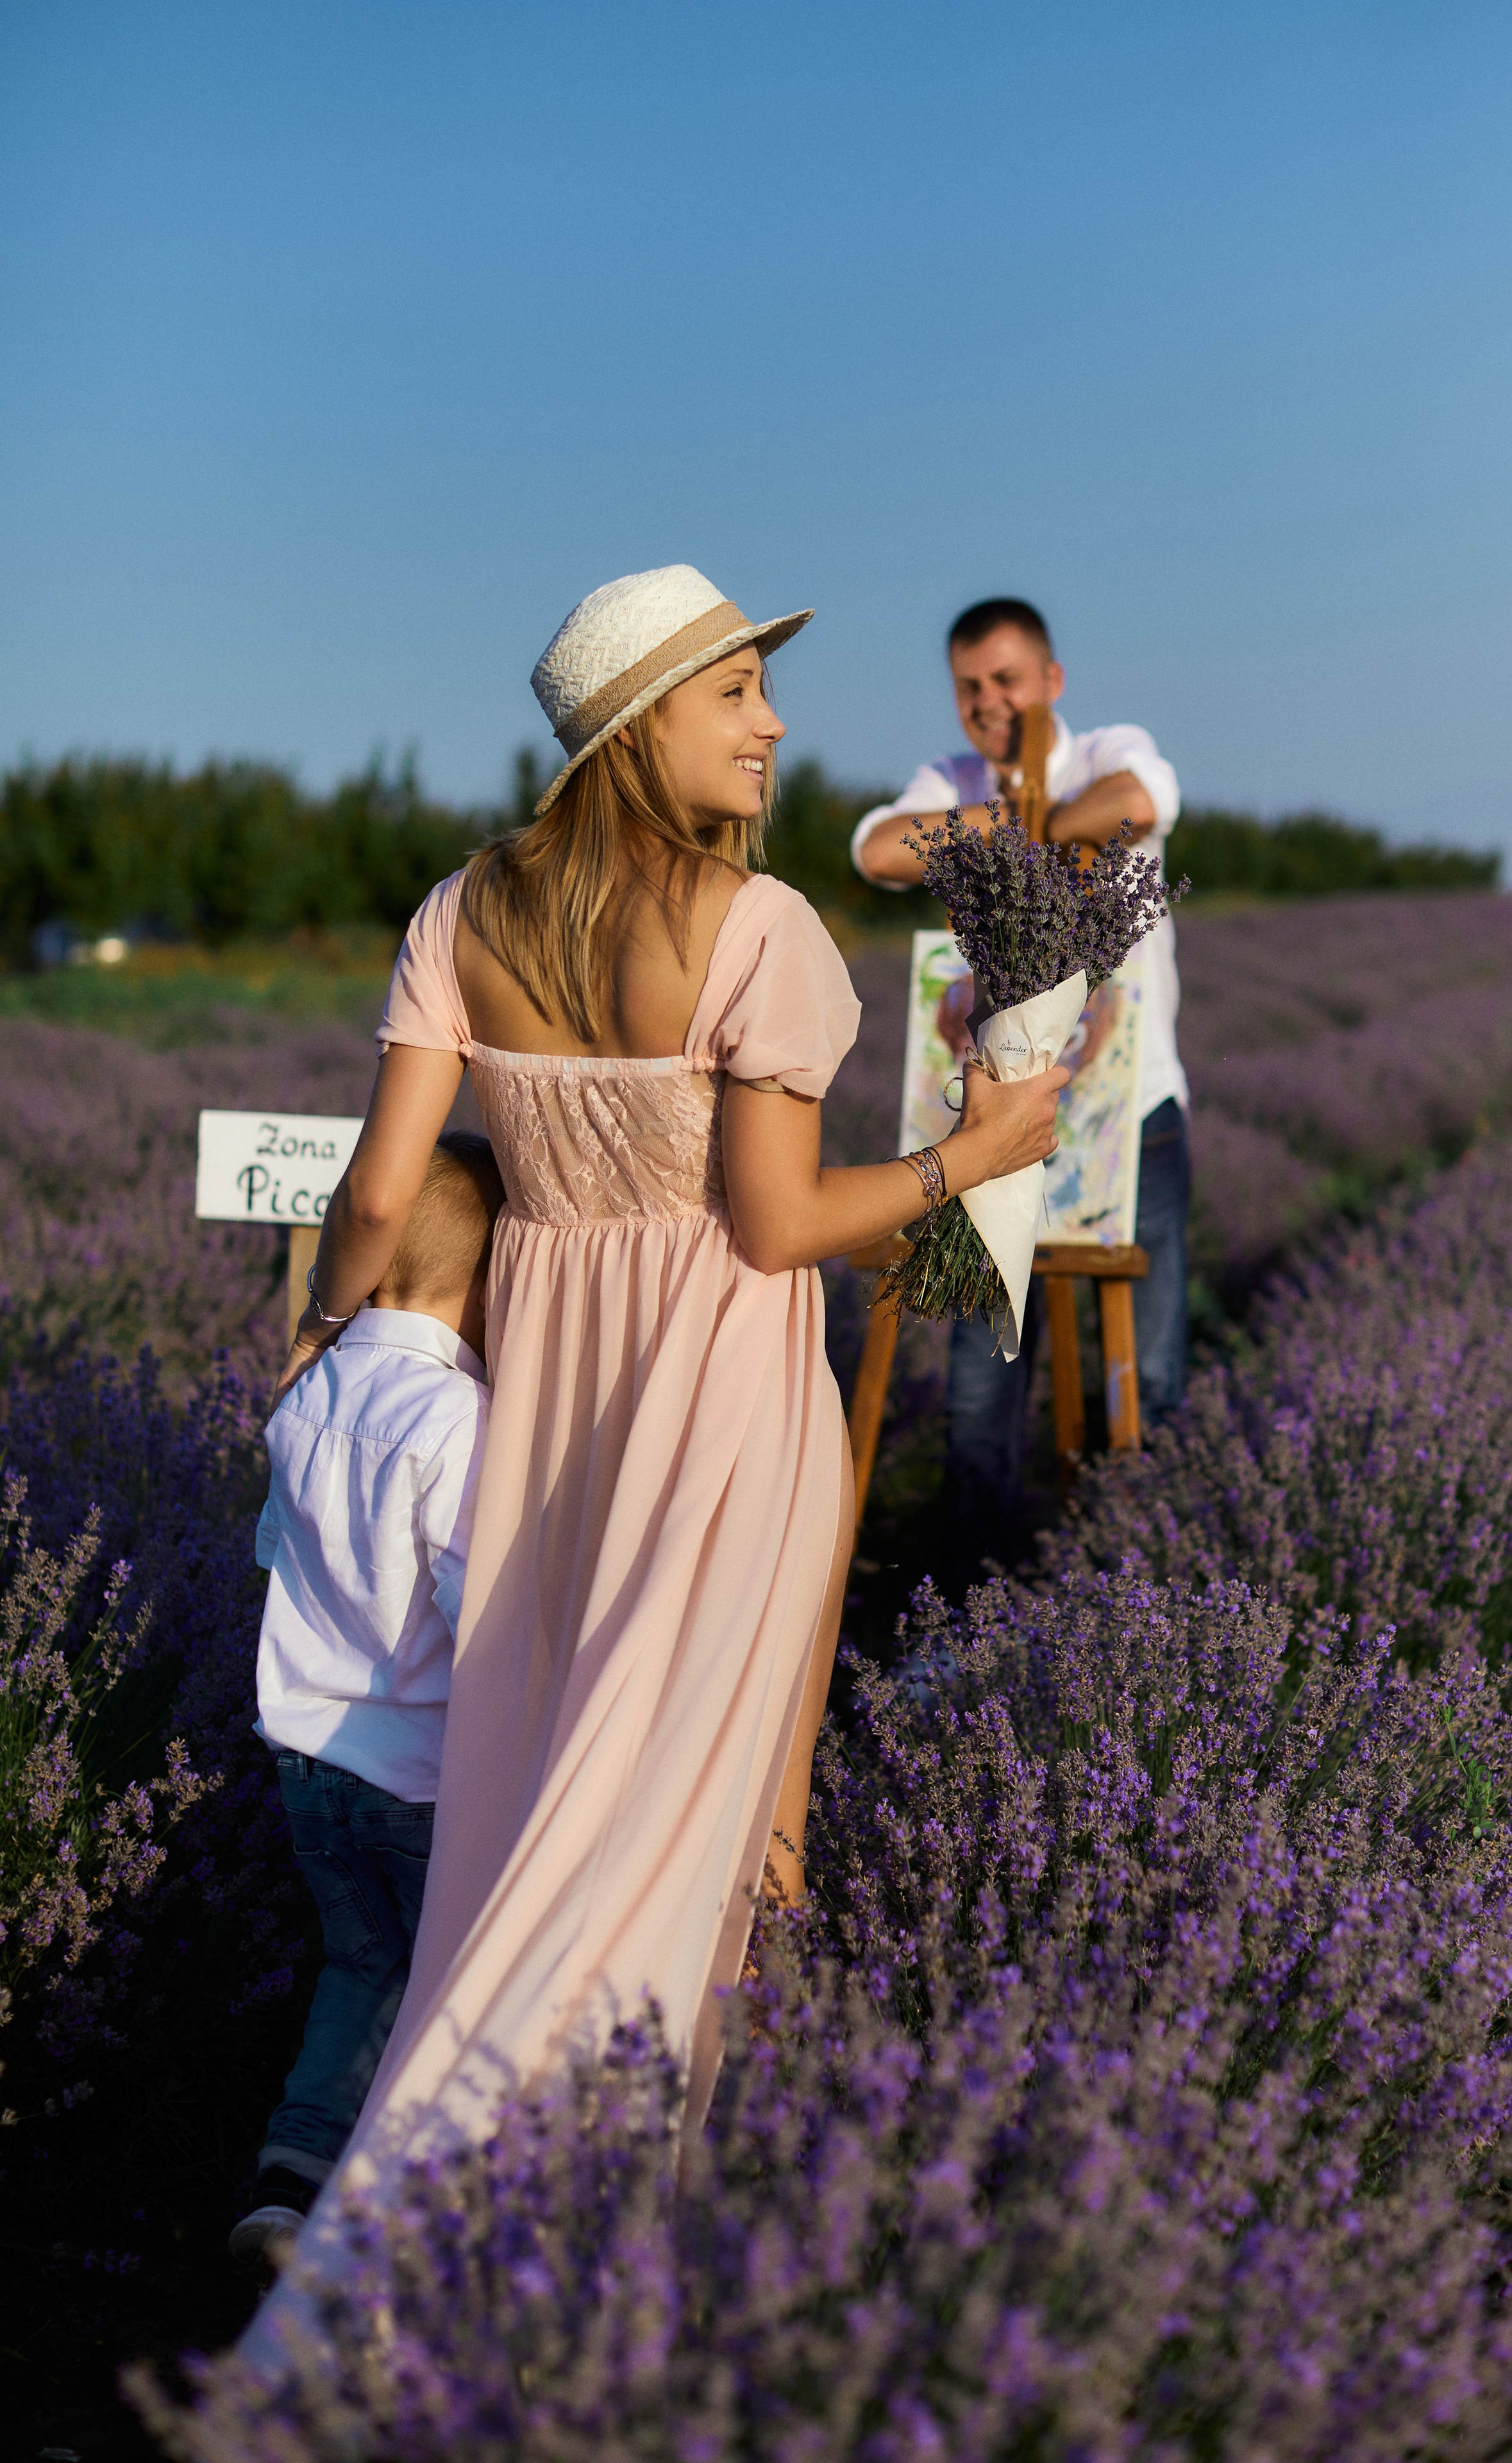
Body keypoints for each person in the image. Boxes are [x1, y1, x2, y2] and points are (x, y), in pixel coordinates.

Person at [240, 565, 1066, 2361]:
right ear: (638, 727)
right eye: (734, 692)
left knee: (539, 1806)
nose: (771, 724)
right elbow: (774, 1229)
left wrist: (322, 1337)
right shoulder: (758, 928)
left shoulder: (458, 911)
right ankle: (567, 2267)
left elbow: (378, 1192)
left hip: (546, 1412)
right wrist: (974, 1154)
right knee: (672, 1833)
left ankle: (489, 2251)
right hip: (719, 1408)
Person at [852, 596, 1190, 1574]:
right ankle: (971, 1589)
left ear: (1051, 680)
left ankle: (1140, 1583)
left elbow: (1140, 799)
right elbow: (876, 847)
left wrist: (1011, 825)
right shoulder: (951, 777)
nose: (989, 702)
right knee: (983, 1371)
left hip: (1130, 1113)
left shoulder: (1108, 750)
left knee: (1145, 1373)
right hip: (991, 1131)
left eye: (1006, 680)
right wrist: (1018, 819)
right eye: (969, 687)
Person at [228, 1131, 504, 2269]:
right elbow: (477, 1610)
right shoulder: (460, 1420)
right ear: (485, 1282)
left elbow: (272, 1554)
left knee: (359, 1966)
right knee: (446, 1986)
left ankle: (289, 2183)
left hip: (307, 1763)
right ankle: (402, 2213)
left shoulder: (309, 1392)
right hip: (421, 1777)